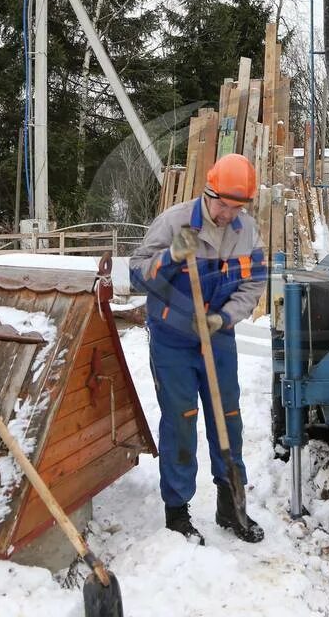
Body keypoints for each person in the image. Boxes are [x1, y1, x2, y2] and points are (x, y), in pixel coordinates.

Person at [129, 153, 266, 545]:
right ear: (209, 191)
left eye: (237, 206)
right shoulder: (173, 222)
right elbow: (137, 273)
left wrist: (224, 319)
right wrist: (171, 256)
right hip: (173, 340)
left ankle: (231, 505)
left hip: (217, 337)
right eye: (224, 204)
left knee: (229, 418)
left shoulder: (246, 231)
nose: (228, 213)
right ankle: (177, 512)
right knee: (181, 419)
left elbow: (253, 283)